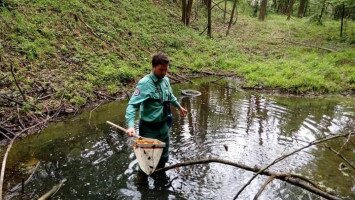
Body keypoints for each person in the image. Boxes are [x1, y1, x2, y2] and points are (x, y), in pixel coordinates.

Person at [125, 53, 187, 184]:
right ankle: (141, 185)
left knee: (163, 156)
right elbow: (132, 105)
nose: (164, 72)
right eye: (161, 70)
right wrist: (130, 125)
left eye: (166, 69)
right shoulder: (144, 84)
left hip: (164, 126)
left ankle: (160, 178)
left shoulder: (166, 80)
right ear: (153, 67)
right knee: (146, 161)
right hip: (148, 129)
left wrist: (179, 107)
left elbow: (170, 96)